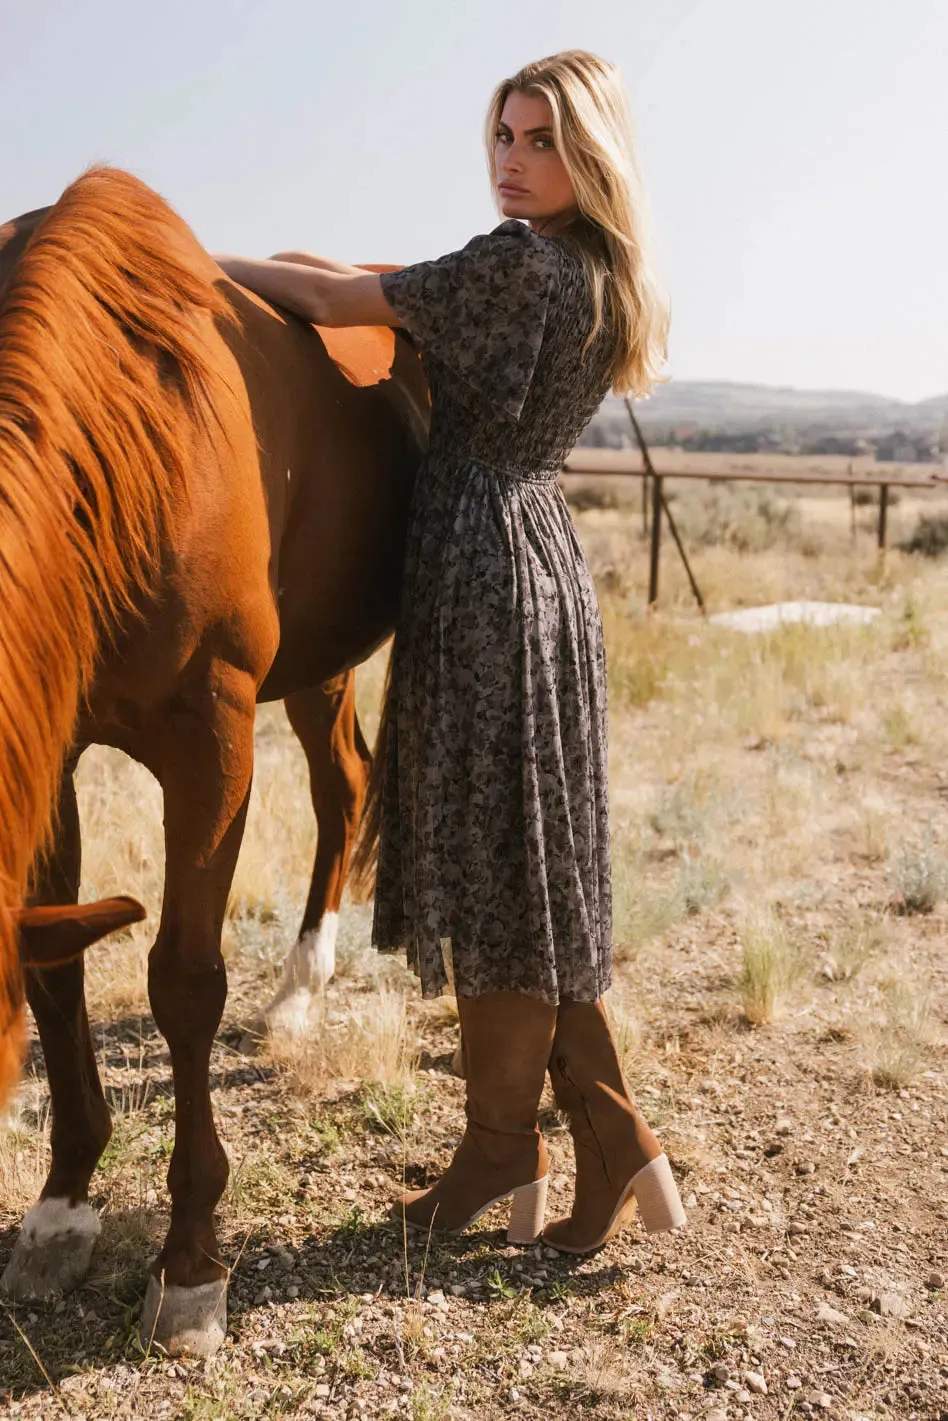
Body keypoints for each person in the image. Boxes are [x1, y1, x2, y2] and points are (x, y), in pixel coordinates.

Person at [214, 49, 686, 1254]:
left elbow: (330, 306)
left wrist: (192, 262)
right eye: (503, 137)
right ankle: (585, 1140)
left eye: (539, 140)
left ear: (589, 153)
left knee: (492, 865)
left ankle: (524, 1142)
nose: (513, 162)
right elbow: (372, 281)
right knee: (528, 866)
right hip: (544, 561)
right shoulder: (600, 275)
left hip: (477, 571)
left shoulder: (509, 266)